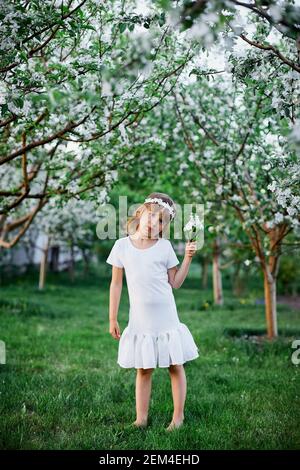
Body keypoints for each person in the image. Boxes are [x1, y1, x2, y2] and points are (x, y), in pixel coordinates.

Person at [106, 192, 199, 431]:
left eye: (161, 222)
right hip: (141, 319)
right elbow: (116, 284)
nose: (154, 224)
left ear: (165, 227)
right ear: (140, 213)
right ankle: (141, 418)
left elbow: (175, 283)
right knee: (144, 368)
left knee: (174, 365)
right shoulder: (122, 246)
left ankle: (178, 418)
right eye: (151, 217)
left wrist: (187, 258)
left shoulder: (165, 247)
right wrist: (113, 317)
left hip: (166, 316)